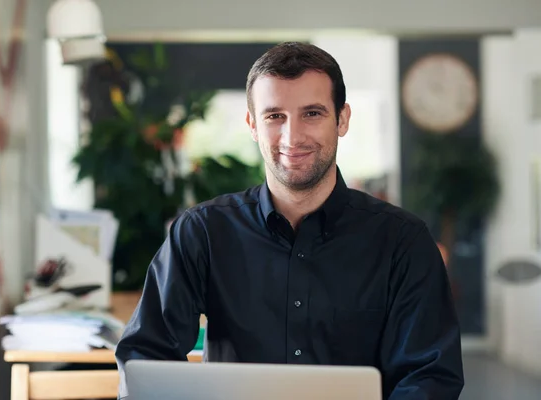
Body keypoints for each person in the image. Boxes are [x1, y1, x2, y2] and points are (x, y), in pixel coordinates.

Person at [115, 42, 464, 400]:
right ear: (252, 124)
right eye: (274, 116)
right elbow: (146, 353)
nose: (292, 137)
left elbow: (429, 376)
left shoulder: (403, 242)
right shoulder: (202, 232)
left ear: (342, 119)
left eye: (312, 113)